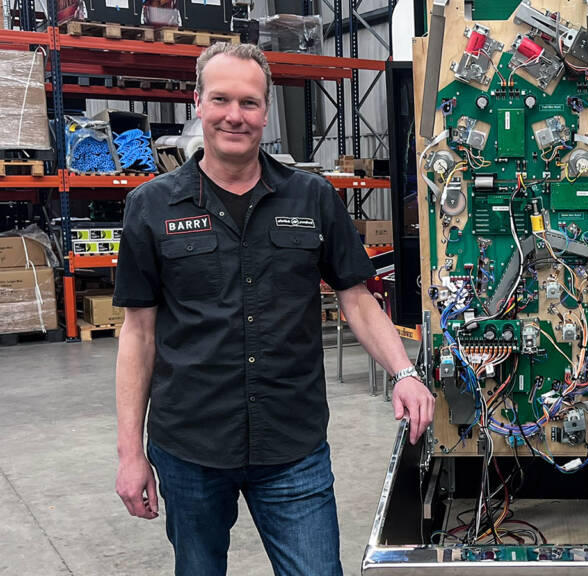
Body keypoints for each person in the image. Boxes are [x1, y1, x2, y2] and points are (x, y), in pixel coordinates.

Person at [112, 42, 434, 575]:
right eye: (221, 99)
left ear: (266, 113)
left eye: (249, 102)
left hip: (291, 446)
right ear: (197, 103)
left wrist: (404, 372)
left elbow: (357, 298)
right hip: (190, 446)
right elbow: (138, 333)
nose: (234, 116)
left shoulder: (312, 198)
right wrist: (130, 453)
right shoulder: (151, 206)